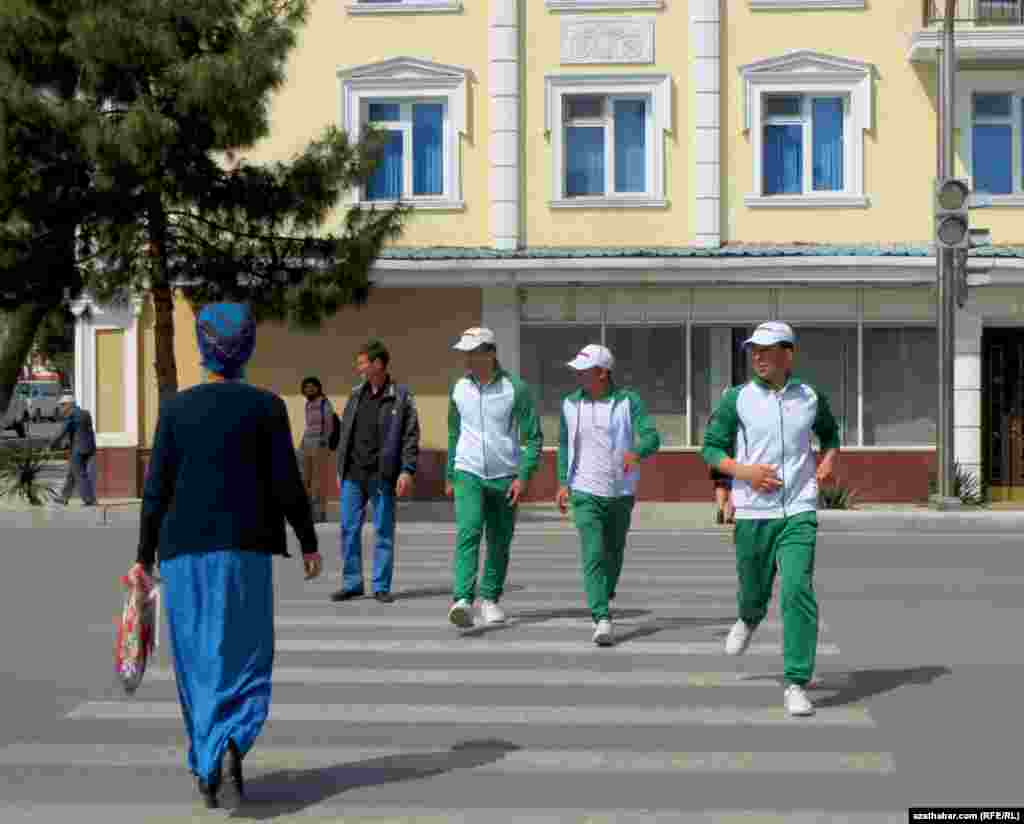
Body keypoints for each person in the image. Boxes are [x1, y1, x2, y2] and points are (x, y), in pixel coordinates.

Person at [129, 302, 323, 809]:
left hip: (184, 552)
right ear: (248, 347)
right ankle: (234, 736)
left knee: (197, 659)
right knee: (246, 653)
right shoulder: (267, 407)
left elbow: (156, 489)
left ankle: (207, 760)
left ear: (202, 347)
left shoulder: (175, 409)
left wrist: (143, 556)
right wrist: (308, 541)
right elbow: (287, 483)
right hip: (246, 551)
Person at [700, 320, 840, 717]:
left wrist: (828, 461)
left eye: (767, 349)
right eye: (754, 350)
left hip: (799, 508)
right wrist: (744, 473)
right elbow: (711, 449)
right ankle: (749, 617)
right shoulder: (736, 399)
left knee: (797, 589)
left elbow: (830, 436)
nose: (759, 357)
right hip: (753, 511)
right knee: (753, 587)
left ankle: (796, 682)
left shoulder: (810, 397)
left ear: (788, 354)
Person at [556, 344, 661, 646]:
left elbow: (652, 436)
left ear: (602, 373)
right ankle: (601, 617)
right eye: (576, 370)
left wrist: (637, 452)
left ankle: (605, 590)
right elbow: (564, 444)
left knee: (613, 553)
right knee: (593, 554)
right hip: (584, 491)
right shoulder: (570, 404)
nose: (578, 375)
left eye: (584, 371)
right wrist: (563, 482)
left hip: (620, 492)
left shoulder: (629, 401)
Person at [445, 327, 543, 629]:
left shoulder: (516, 388)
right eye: (464, 353)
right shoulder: (459, 388)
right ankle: (463, 599)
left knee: (500, 540)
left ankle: (489, 599)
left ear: (490, 353)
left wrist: (523, 476)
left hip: (505, 476)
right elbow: (454, 432)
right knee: (469, 530)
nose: (467, 359)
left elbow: (534, 437)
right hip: (468, 472)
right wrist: (450, 473)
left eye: (473, 352)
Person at [331, 340, 420, 604]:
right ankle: (352, 583)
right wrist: (340, 468)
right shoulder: (355, 394)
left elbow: (411, 435)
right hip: (353, 474)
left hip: (382, 475)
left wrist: (407, 470)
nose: (358, 368)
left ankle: (381, 586)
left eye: (362, 363)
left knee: (383, 531)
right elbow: (346, 432)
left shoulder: (401, 396)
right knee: (348, 529)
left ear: (378, 364)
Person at [298, 376, 336, 523]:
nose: (309, 389)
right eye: (306, 387)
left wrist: (324, 441)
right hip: (306, 443)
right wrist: (302, 443)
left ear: (318, 388)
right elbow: (308, 425)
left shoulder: (324, 403)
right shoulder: (307, 404)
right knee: (305, 479)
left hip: (320, 444)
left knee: (318, 481)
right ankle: (307, 512)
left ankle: (319, 514)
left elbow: (329, 425)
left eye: (312, 386)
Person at [49, 393, 97, 506]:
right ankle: (63, 497)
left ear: (69, 405)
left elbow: (62, 431)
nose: (61, 408)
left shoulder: (71, 415)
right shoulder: (85, 413)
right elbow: (81, 430)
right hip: (89, 448)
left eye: (62, 405)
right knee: (72, 474)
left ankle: (89, 499)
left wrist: (51, 445)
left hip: (78, 449)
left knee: (80, 474)